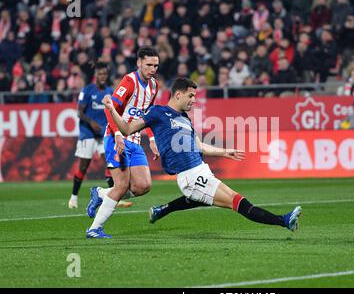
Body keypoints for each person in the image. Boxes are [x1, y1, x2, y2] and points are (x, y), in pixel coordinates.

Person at [99, 77, 302, 238]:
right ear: (178, 95)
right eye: (191, 96)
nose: (194, 100)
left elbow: (198, 145)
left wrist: (224, 152)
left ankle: (162, 210)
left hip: (201, 170)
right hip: (189, 177)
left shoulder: (184, 119)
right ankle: (284, 221)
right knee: (238, 202)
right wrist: (111, 110)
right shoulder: (157, 113)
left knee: (220, 199)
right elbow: (126, 129)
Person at [85, 47, 162, 236]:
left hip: (135, 141)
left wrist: (151, 138)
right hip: (115, 137)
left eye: (156, 65)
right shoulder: (129, 81)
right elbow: (109, 109)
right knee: (120, 186)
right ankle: (95, 229)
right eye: (149, 65)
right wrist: (118, 135)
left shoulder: (154, 86)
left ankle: (101, 193)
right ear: (139, 63)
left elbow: (146, 116)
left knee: (143, 186)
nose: (152, 69)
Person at [68, 62, 117, 209]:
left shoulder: (109, 91)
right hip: (88, 133)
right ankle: (73, 198)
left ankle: (115, 198)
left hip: (103, 135)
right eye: (100, 74)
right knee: (83, 166)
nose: (103, 77)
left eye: (105, 74)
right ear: (95, 75)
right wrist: (92, 123)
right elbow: (79, 112)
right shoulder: (87, 90)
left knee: (110, 164)